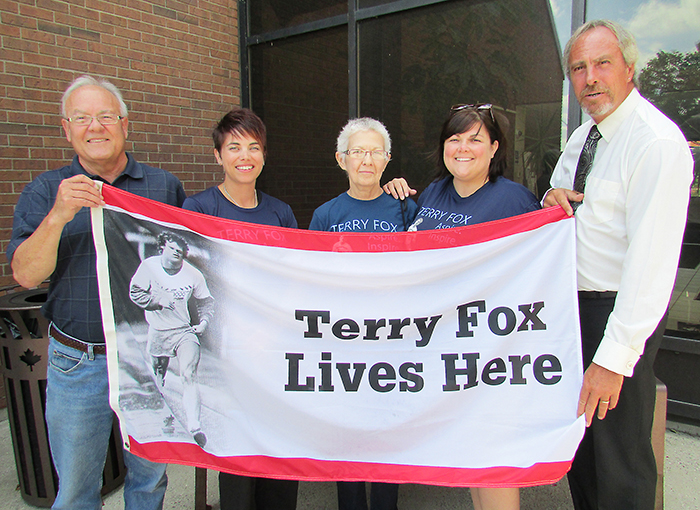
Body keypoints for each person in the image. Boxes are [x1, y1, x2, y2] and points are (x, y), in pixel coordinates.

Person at [7, 75, 186, 510]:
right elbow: (26, 276)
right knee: (75, 490)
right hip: (79, 361)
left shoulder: (163, 188)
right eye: (82, 118)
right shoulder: (46, 191)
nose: (95, 126)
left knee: (149, 482)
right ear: (66, 129)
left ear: (125, 124)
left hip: (148, 358)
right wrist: (58, 216)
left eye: (106, 116)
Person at [542, 20, 693, 510]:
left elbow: (652, 264)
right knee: (582, 451)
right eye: (579, 68)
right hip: (574, 311)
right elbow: (561, 203)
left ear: (630, 67)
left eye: (602, 63)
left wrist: (612, 359)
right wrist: (550, 195)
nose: (590, 78)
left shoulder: (654, 142)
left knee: (620, 460)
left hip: (617, 313)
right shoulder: (585, 135)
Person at [385, 103, 540, 510]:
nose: (463, 147)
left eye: (475, 139)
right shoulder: (435, 191)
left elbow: (540, 270)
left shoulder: (514, 200)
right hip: (443, 351)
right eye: (454, 139)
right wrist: (389, 194)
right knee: (473, 456)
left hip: (490, 352)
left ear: (494, 148)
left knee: (494, 456)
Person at [183, 108, 298, 510]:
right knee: (237, 455)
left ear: (264, 155)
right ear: (218, 155)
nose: (244, 156)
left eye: (253, 147)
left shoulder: (281, 212)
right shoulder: (197, 209)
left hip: (274, 348)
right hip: (226, 351)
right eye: (234, 147)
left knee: (279, 447)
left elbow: (293, 279)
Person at [309, 117, 417, 510]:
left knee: (388, 433)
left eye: (375, 152)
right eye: (358, 152)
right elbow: (313, 281)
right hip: (344, 344)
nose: (366, 160)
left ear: (387, 160)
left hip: (394, 343)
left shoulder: (406, 208)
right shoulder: (325, 215)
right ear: (342, 160)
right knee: (347, 436)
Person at [129, 231, 215, 448]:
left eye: (181, 250)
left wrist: (203, 323)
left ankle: (195, 427)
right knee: (159, 378)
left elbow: (206, 302)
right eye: (172, 247)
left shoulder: (193, 274)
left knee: (189, 374)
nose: (177, 251)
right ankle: (165, 416)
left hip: (184, 331)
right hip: (158, 330)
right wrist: (157, 301)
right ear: (162, 247)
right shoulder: (149, 266)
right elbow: (135, 292)